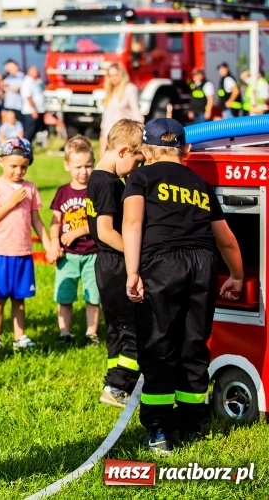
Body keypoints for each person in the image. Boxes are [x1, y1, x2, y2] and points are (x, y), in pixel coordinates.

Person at [122, 118, 243, 454]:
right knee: (194, 343)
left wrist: (132, 271)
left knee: (158, 345)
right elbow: (227, 240)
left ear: (145, 151)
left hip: (162, 263)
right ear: (187, 150)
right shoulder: (201, 184)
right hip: (203, 264)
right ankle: (193, 423)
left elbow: (132, 222)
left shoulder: (141, 177)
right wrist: (235, 275)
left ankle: (160, 430)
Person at [86, 119, 145, 408]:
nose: (136, 169)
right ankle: (118, 386)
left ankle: (114, 378)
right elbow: (106, 231)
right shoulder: (109, 184)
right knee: (134, 326)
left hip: (105, 264)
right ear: (122, 151)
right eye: (136, 161)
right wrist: (135, 254)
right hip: (116, 262)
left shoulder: (97, 178)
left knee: (116, 327)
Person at [0, 137, 55, 352]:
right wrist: (12, 201)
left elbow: (36, 220)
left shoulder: (30, 189)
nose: (18, 172)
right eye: (13, 166)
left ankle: (19, 336)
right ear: (1, 161)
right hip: (0, 253)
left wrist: (48, 244)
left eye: (23, 167)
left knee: (19, 299)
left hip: (22, 252)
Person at [50, 136, 100, 347]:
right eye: (78, 166)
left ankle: (91, 333)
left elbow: (99, 221)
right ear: (67, 165)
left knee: (93, 296)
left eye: (88, 166)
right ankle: (64, 332)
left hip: (92, 252)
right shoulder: (63, 192)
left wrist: (77, 232)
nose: (84, 171)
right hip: (67, 255)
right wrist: (54, 242)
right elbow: (55, 221)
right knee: (65, 295)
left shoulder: (96, 190)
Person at [100, 63, 143, 154]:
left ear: (122, 74)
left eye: (115, 75)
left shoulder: (130, 89)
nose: (113, 78)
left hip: (123, 135)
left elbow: (136, 113)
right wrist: (102, 135)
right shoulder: (109, 91)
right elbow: (106, 116)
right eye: (110, 76)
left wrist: (138, 134)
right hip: (108, 134)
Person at [20, 65, 47, 146]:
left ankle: (29, 147)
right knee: (30, 131)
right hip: (30, 111)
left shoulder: (34, 81)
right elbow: (28, 97)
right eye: (34, 70)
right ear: (29, 72)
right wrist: (34, 109)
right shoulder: (27, 82)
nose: (37, 72)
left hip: (37, 110)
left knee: (35, 130)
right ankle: (24, 147)